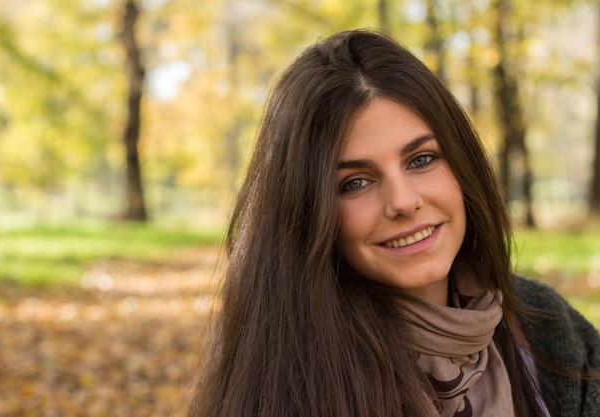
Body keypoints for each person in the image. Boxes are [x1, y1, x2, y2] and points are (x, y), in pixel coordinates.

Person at [187, 29, 600, 417]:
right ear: (306, 214)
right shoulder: (286, 377)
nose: (403, 202)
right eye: (355, 183)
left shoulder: (548, 327)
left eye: (421, 159)